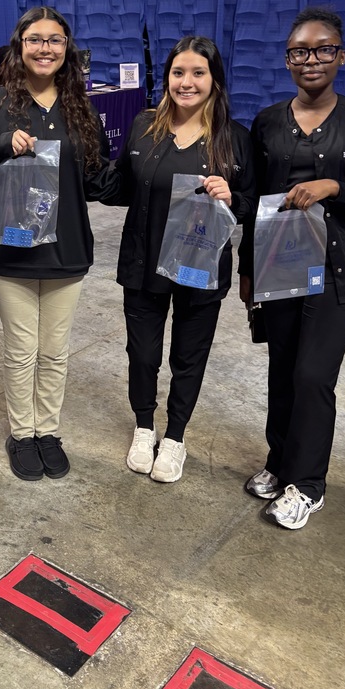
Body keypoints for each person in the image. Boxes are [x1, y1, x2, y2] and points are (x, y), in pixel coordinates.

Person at [239, 7, 345, 529]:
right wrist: (248, 270)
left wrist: (336, 188)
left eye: (323, 49)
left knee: (313, 374)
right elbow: (252, 203)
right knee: (282, 371)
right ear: (287, 60)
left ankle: (307, 485)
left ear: (341, 56)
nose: (311, 60)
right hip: (281, 264)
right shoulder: (266, 123)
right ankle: (279, 462)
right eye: (300, 51)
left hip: (341, 272)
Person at [0, 6, 115, 482]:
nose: (45, 48)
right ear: (20, 45)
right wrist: (0, 146)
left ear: (66, 49)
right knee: (21, 349)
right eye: (35, 39)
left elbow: (96, 178)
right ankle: (22, 432)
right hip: (12, 249)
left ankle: (48, 431)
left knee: (54, 350)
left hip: (67, 246)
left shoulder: (82, 109)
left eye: (54, 40)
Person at [106, 36, 255, 483]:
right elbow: (120, 184)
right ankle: (144, 426)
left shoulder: (234, 139)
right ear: (166, 76)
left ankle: (175, 437)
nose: (186, 82)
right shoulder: (145, 126)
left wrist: (234, 198)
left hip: (199, 265)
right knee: (143, 354)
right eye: (177, 72)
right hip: (143, 261)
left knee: (189, 356)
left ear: (215, 80)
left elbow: (252, 202)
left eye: (197, 73)